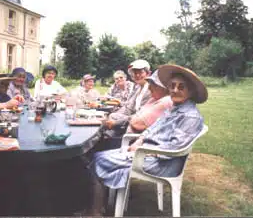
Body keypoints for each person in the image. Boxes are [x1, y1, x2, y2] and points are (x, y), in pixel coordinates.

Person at [87, 64, 208, 215]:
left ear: (191, 91)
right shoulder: (174, 108)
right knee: (100, 156)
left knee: (98, 158)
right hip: (149, 154)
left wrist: (143, 150)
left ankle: (95, 211)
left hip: (163, 163)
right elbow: (153, 127)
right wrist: (141, 139)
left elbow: (174, 148)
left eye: (181, 87)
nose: (175, 90)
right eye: (172, 86)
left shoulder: (190, 116)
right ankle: (101, 205)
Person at [101, 59, 152, 148]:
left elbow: (140, 117)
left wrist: (115, 123)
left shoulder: (151, 90)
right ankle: (105, 140)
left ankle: (108, 144)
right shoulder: (138, 88)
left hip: (138, 127)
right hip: (130, 121)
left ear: (148, 73)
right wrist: (112, 116)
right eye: (134, 73)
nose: (137, 75)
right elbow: (128, 108)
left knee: (107, 130)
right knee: (109, 119)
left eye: (140, 72)